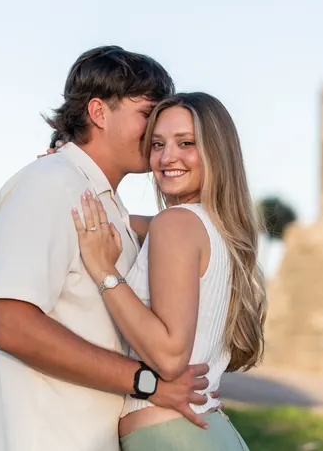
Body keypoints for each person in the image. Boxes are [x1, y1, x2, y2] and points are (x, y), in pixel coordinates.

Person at [0, 47, 219, 451]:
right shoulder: (50, 185)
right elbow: (12, 324)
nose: (156, 129)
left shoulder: (101, 203)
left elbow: (188, 236)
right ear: (99, 113)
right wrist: (147, 384)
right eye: (148, 113)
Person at [70, 92, 266, 450]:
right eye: (157, 144)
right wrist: (68, 172)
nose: (167, 157)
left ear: (216, 152)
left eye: (186, 143)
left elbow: (170, 357)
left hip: (172, 437)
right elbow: (123, 223)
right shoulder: (217, 229)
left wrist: (104, 272)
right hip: (205, 432)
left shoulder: (175, 224)